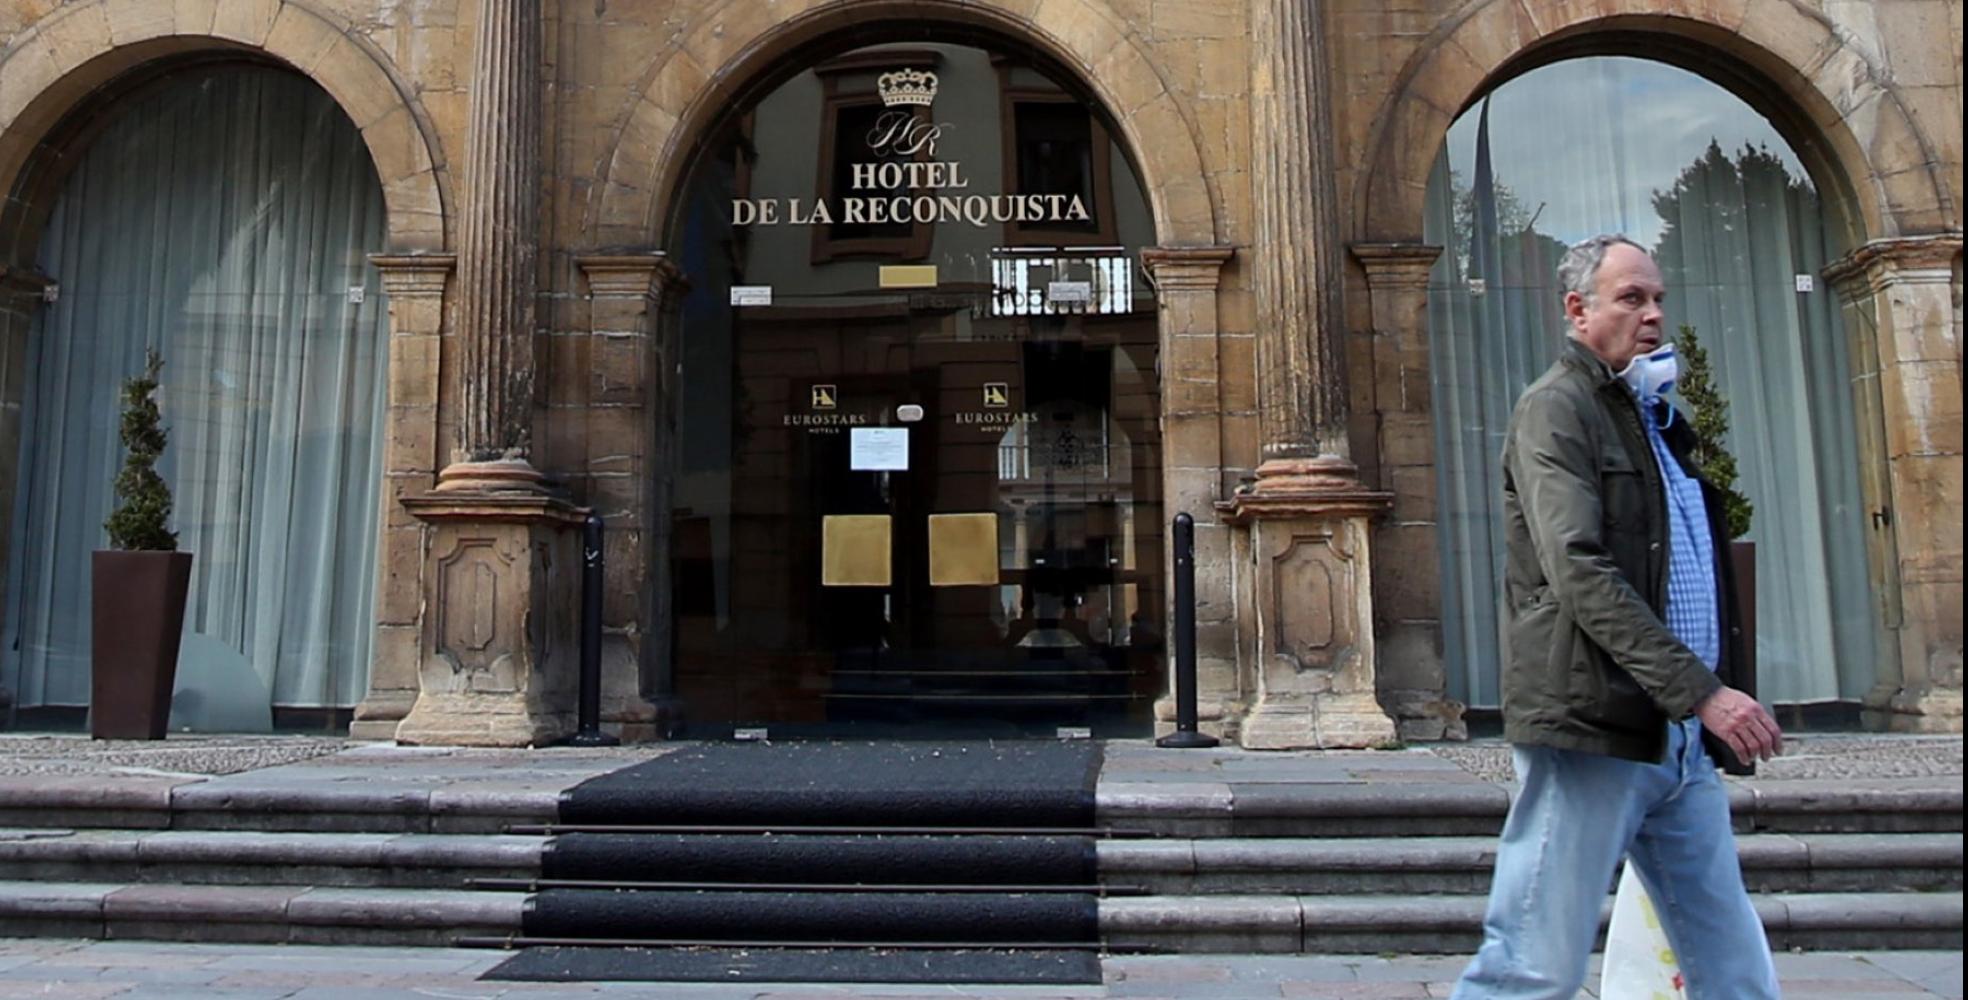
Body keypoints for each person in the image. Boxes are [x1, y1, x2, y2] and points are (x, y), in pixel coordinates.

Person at [1450, 234, 1785, 1000]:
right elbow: (1579, 568)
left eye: (1658, 298)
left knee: (1730, 964)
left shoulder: (1654, 416)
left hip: (1675, 738)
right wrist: (1704, 690)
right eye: (1631, 298)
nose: (1653, 314)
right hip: (1595, 726)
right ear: (1578, 310)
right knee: (1531, 962)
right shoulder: (1556, 409)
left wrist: (1704, 701)